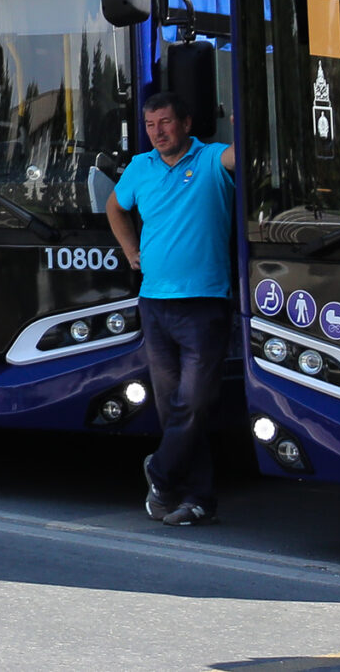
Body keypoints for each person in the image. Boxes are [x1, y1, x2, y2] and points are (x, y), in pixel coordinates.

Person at [107, 91, 238, 528]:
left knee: (195, 403)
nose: (157, 133)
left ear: (186, 122)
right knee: (173, 409)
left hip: (204, 303)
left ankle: (160, 473)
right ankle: (196, 499)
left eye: (165, 123)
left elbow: (243, 157)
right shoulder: (140, 168)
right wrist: (129, 250)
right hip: (155, 302)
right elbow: (115, 206)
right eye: (150, 125)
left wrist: (244, 118)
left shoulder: (212, 160)